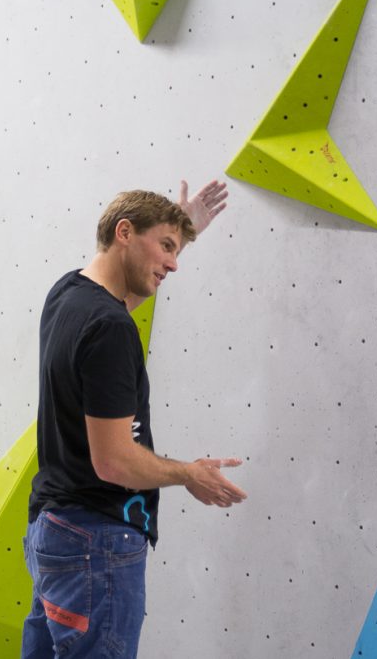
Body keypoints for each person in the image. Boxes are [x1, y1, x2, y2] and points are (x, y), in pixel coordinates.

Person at [21, 180, 247, 659]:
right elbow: (115, 463)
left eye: (177, 249)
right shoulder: (110, 328)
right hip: (95, 539)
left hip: (54, 529)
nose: (174, 262)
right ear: (125, 232)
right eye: (165, 246)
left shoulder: (67, 294)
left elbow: (115, 310)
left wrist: (183, 231)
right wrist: (189, 474)